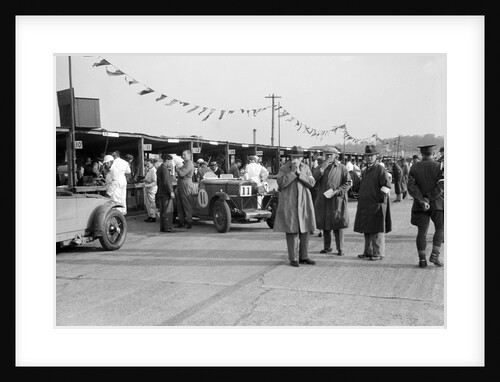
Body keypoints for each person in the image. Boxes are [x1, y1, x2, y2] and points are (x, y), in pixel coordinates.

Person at [273, 146, 317, 267]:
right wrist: (293, 172)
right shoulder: (283, 168)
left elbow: (312, 183)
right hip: (290, 203)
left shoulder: (306, 168)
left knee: (305, 229)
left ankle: (304, 256)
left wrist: (300, 174)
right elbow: (281, 183)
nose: (296, 160)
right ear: (290, 158)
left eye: (298, 157)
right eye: (294, 157)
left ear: (302, 158)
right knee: (292, 230)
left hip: (304, 202)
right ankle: (293, 258)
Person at [407, 144, 444, 268]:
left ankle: (422, 259)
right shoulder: (440, 167)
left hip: (420, 205)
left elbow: (411, 187)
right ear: (433, 154)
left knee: (422, 232)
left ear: (422, 154)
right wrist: (429, 198)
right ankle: (435, 254)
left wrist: (422, 200)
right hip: (438, 203)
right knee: (440, 228)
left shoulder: (414, 167)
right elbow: (441, 186)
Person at [354, 145, 392, 261]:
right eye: (367, 156)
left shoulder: (380, 169)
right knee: (367, 229)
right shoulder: (366, 170)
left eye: (371, 156)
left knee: (376, 230)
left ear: (376, 156)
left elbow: (386, 186)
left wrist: (379, 198)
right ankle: (368, 251)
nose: (369, 158)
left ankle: (378, 253)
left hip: (376, 204)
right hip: (366, 204)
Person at [312, 147, 351, 256]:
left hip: (336, 200)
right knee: (325, 224)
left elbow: (348, 183)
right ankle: (327, 247)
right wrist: (322, 167)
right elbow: (313, 180)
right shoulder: (320, 168)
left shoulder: (342, 168)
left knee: (338, 224)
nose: (328, 157)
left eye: (330, 155)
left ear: (336, 156)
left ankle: (340, 248)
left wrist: (338, 191)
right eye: (326, 154)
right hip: (323, 200)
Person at [175, 150, 195, 229]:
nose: (182, 156)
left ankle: (189, 221)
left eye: (184, 155)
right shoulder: (186, 164)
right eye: (182, 154)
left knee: (186, 204)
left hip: (185, 184)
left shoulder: (189, 164)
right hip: (182, 184)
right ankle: (181, 221)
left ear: (189, 156)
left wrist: (178, 170)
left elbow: (181, 173)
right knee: (180, 204)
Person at [156, 153, 176, 232]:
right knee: (168, 211)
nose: (171, 163)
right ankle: (168, 227)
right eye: (170, 161)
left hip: (161, 192)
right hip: (166, 193)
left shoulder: (159, 168)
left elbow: (159, 182)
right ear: (166, 161)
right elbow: (166, 182)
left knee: (162, 211)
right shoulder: (165, 169)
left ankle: (163, 227)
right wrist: (171, 191)